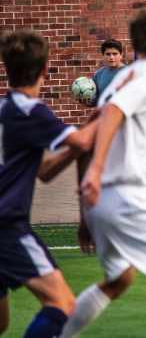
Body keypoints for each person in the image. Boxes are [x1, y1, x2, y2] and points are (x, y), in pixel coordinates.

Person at [60, 9, 146, 338]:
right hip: (124, 194)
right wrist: (95, 173)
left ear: (133, 46)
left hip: (99, 201)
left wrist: (85, 215)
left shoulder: (120, 78)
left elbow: (88, 135)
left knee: (119, 280)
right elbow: (112, 113)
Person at [0, 31, 100, 337]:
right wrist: (104, 117)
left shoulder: (6, 110)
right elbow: (83, 141)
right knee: (62, 302)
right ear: (46, 69)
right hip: (6, 225)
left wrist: (79, 142)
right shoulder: (31, 110)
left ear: (6, 67)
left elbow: (43, 170)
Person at [75, 39, 127, 108]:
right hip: (104, 116)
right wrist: (88, 101)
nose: (111, 57)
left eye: (115, 54)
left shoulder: (129, 73)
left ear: (121, 55)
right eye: (108, 54)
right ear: (103, 55)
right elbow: (96, 99)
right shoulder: (98, 74)